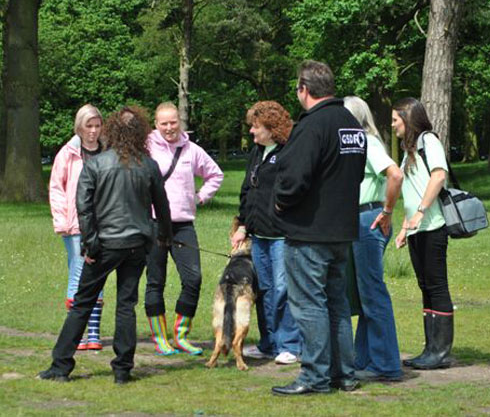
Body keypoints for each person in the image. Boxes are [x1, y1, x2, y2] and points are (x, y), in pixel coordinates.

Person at [38, 106, 173, 384]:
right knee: (126, 305)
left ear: (111, 130)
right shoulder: (148, 166)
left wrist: (90, 244)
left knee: (82, 304)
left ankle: (61, 366)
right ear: (140, 133)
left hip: (105, 245)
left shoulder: (98, 164)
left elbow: (84, 207)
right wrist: (163, 237)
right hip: (134, 245)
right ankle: (122, 370)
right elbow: (163, 208)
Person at [270, 61, 366, 396]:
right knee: (336, 304)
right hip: (342, 228)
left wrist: (280, 202)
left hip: (310, 230)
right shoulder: (350, 123)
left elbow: (295, 177)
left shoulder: (313, 125)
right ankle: (344, 373)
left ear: (304, 89)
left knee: (309, 304)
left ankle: (315, 376)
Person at [144, 102, 224, 356]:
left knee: (193, 278)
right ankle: (160, 338)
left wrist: (199, 198)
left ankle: (181, 335)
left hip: (183, 225)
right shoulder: (146, 148)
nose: (169, 128)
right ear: (156, 125)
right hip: (154, 223)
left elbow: (216, 175)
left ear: (180, 122)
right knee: (155, 281)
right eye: (163, 123)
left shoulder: (192, 150)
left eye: (173, 122)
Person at [231, 101, 302, 365]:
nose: (251, 131)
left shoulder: (288, 152)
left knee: (284, 289)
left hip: (282, 235)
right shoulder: (257, 152)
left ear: (271, 128)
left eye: (256, 126)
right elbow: (247, 191)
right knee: (265, 289)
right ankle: (268, 342)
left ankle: (290, 345)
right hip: (258, 235)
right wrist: (242, 226)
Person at [343, 96, 404, 381]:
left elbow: (396, 175)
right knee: (364, 294)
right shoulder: (357, 144)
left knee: (373, 293)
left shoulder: (368, 142)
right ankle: (365, 357)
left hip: (369, 219)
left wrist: (388, 211)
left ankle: (387, 365)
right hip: (359, 220)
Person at [393, 97, 453, 370]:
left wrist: (420, 211)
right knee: (425, 287)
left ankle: (440, 352)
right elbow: (412, 190)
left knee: (437, 286)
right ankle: (430, 349)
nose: (393, 125)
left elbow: (438, 176)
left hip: (433, 227)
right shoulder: (410, 150)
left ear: (408, 118)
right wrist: (406, 227)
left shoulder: (429, 141)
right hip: (417, 229)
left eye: (396, 119)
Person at [49, 104, 105, 350]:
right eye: (88, 126)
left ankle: (93, 332)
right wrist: (61, 221)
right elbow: (56, 188)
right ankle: (77, 333)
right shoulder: (68, 153)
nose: (93, 131)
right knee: (78, 274)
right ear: (79, 127)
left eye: (96, 126)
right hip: (75, 225)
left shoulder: (107, 151)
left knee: (98, 275)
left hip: (102, 224)